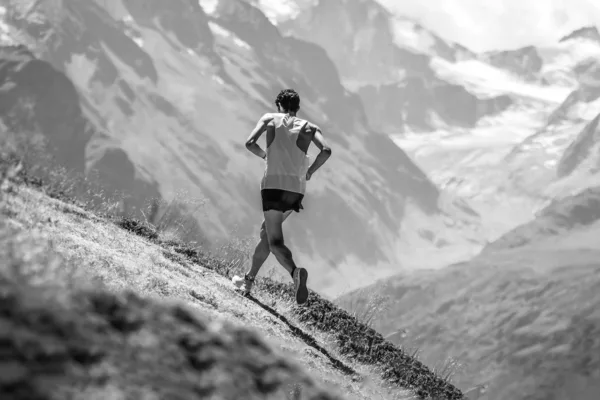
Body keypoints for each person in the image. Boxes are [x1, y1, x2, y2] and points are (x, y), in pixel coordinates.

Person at [232, 89, 332, 305]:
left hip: (273, 186)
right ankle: (248, 281)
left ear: (279, 105)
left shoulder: (269, 119)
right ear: (297, 108)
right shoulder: (309, 127)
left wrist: (265, 155)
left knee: (275, 241)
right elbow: (325, 150)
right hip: (296, 188)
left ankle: (295, 273)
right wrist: (311, 171)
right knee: (266, 232)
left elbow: (250, 143)